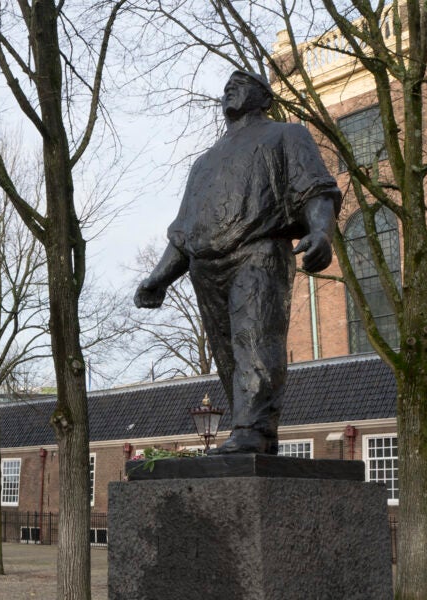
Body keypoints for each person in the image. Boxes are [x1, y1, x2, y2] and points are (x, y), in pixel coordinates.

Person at [135, 70, 341, 454]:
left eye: (242, 85)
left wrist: (321, 231)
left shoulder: (286, 135)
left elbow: (315, 187)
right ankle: (247, 427)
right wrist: (158, 278)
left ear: (265, 99)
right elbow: (184, 230)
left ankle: (254, 428)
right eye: (227, 86)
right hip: (206, 266)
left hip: (258, 251)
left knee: (256, 339)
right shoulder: (204, 163)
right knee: (227, 352)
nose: (230, 89)